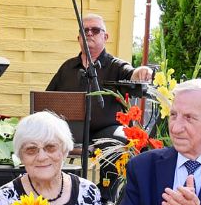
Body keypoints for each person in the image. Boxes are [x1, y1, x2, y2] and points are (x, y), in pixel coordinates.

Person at [45, 13, 153, 143]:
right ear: (79, 37)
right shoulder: (67, 67)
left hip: (107, 130)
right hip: (69, 131)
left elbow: (132, 74)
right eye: (85, 30)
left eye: (95, 30)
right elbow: (47, 99)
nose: (89, 33)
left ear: (105, 37)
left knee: (119, 142)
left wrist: (142, 71)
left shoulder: (116, 66)